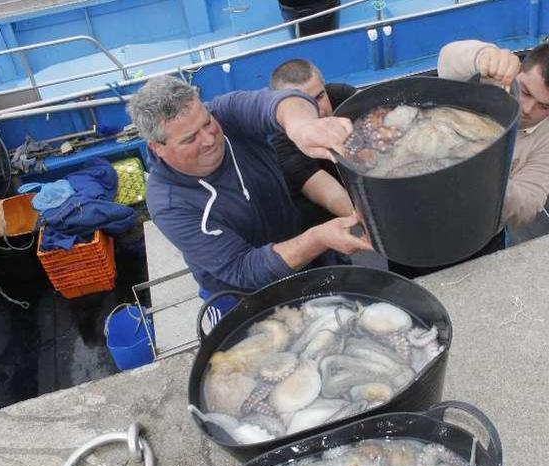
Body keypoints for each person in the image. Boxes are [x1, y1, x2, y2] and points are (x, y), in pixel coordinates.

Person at [129, 76, 371, 323]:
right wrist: (318, 238)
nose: (210, 139)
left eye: (207, 122)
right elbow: (243, 269)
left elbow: (281, 102)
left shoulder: (226, 112)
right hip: (242, 292)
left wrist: (301, 127)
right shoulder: (169, 203)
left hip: (296, 244)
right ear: (157, 147)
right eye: (190, 139)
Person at [390, 39, 549, 278]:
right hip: (417, 216)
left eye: (544, 106)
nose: (528, 109)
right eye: (525, 92)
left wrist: (484, 176)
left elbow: (530, 204)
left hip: (478, 234)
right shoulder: (493, 77)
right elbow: (447, 60)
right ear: (518, 71)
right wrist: (483, 56)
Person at [268, 59, 357, 230]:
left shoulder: (341, 95)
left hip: (352, 182)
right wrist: (385, 219)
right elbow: (333, 197)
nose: (320, 110)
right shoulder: (284, 147)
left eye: (320, 97)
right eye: (304, 104)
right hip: (311, 216)